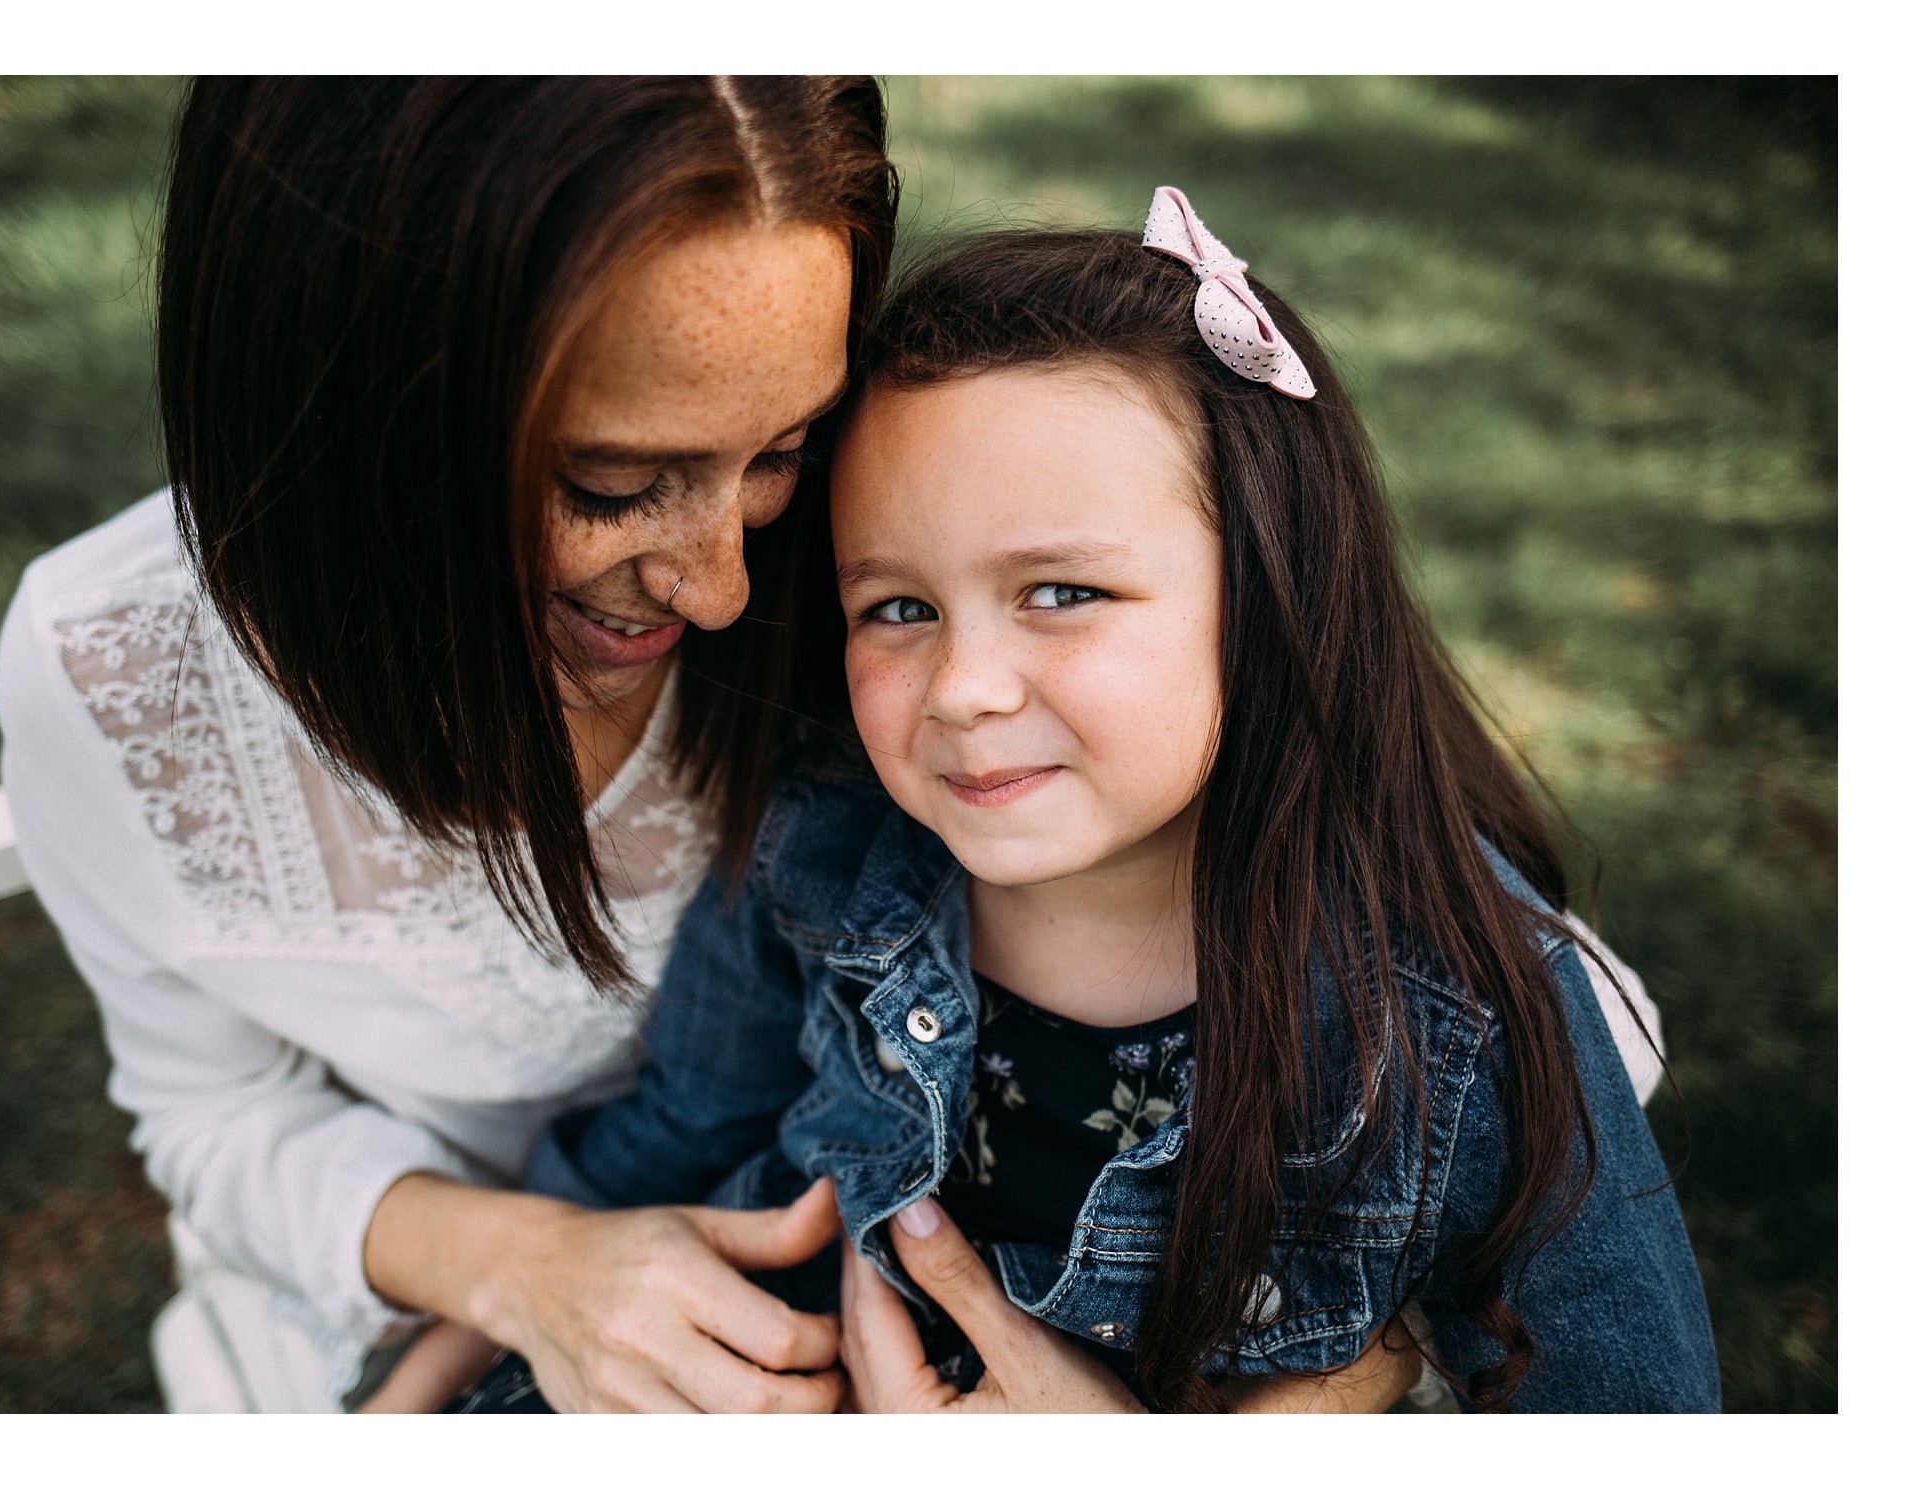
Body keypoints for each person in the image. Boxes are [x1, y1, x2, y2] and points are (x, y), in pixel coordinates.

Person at [445, 191, 1719, 1411]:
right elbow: (670, 1139)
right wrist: (464, 1345)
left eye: (1060, 592)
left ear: (1271, 596)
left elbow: (1627, 1399)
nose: (964, 688)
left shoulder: (1454, 1004)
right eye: (897, 607)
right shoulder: (825, 843)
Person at [0, 76, 898, 1412]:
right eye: (608, 483)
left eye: (781, 449)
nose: (720, 590)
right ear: (339, 402)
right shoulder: (107, 677)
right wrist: (527, 1269)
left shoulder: (891, 573)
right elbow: (214, 1113)